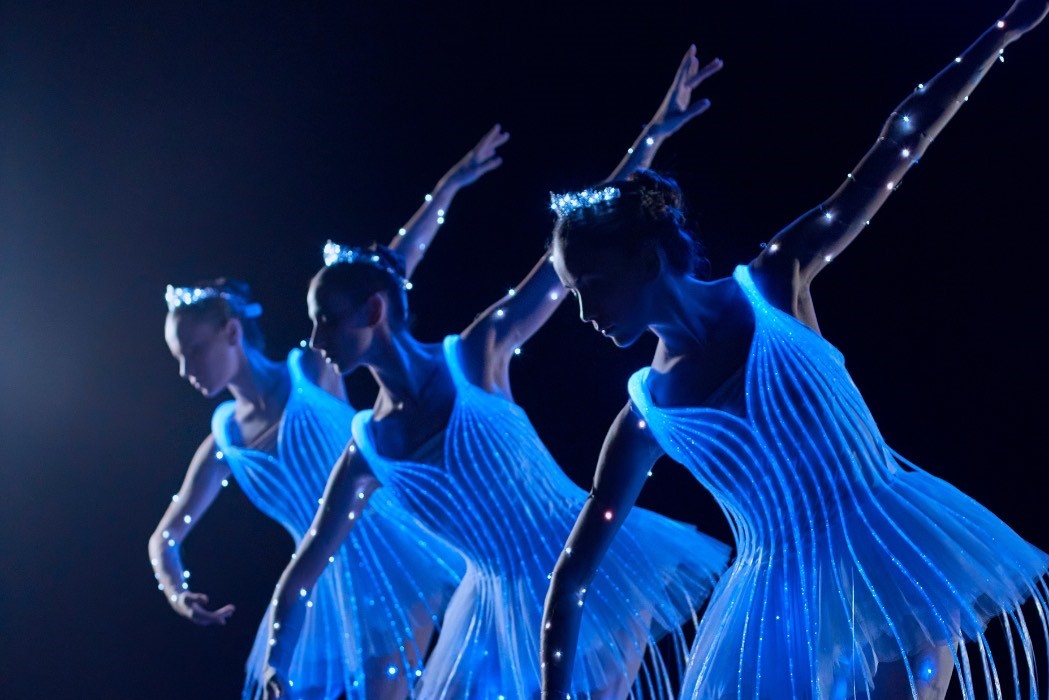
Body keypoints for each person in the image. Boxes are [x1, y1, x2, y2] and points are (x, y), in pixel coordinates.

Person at [542, 3, 1049, 699]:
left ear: (648, 261)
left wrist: (1003, 32)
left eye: (591, 286)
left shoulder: (773, 283)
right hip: (776, 609)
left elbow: (896, 147)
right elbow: (573, 572)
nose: (582, 313)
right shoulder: (647, 414)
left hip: (891, 544)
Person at [261, 48, 731, 700]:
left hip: (587, 572)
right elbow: (306, 565)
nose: (314, 339)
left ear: (373, 311)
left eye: (326, 321)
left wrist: (652, 134)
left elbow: (563, 256)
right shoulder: (366, 450)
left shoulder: (477, 352)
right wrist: (274, 664)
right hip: (486, 614)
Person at [151, 126, 509, 699]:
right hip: (321, 586)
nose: (186, 369)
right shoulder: (224, 441)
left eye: (193, 350)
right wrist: (175, 590)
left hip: (395, 550)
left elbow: (387, 273)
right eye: (178, 357)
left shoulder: (312, 369)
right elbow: (166, 535)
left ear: (231, 332)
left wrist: (448, 188)